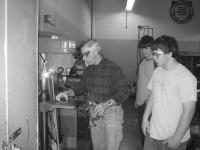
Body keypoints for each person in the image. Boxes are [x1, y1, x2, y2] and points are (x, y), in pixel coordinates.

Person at [56, 39, 129, 150]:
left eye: (86, 55)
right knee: (98, 147)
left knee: (111, 146)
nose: (83, 58)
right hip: (95, 112)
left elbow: (124, 92)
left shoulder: (113, 68)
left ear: (95, 51)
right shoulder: (88, 70)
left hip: (111, 113)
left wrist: (105, 104)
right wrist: (67, 93)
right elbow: (80, 88)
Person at [142, 35, 197, 150]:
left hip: (172, 137)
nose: (153, 57)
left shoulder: (185, 77)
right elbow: (153, 96)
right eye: (153, 54)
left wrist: (176, 138)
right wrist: (145, 118)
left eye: (157, 54)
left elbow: (189, 111)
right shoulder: (157, 71)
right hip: (152, 133)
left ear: (170, 54)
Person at [135, 35, 155, 146]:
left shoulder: (156, 64)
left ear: (153, 47)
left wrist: (148, 103)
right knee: (142, 132)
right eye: (142, 48)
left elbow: (156, 88)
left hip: (150, 105)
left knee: (150, 133)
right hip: (141, 103)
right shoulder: (142, 63)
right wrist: (137, 99)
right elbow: (140, 82)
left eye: (147, 48)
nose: (144, 51)